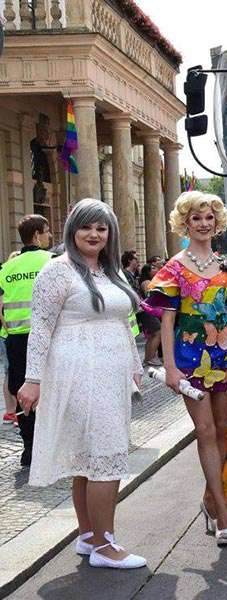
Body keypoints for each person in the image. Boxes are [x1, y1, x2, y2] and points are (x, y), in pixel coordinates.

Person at [16, 199, 146, 569]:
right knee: (104, 455)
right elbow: (40, 326)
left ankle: (89, 537)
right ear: (72, 230)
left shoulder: (110, 272)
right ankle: (106, 547)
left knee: (91, 458)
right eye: (86, 227)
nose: (94, 234)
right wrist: (32, 379)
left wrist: (135, 365)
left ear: (111, 234)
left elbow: (122, 323)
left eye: (101, 228)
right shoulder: (57, 271)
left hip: (111, 371)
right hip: (77, 371)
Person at [143, 191, 227, 546]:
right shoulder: (173, 269)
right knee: (205, 431)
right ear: (185, 224)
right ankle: (222, 511)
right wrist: (170, 368)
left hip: (224, 360)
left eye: (209, 218)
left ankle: (209, 498)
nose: (204, 224)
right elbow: (167, 322)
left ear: (216, 223)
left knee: (221, 430)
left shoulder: (226, 268)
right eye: (196, 219)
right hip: (190, 363)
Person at [0, 214, 52, 466]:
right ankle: (50, 444)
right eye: (47, 231)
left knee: (21, 390)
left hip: (16, 338)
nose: (50, 236)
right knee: (53, 388)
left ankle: (29, 446)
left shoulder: (7, 267)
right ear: (36, 235)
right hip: (47, 336)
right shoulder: (53, 261)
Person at [137, 264, 162, 366]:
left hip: (147, 311)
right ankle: (150, 357)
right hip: (147, 311)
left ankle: (149, 357)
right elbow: (151, 296)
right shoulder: (147, 282)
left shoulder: (151, 281)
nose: (156, 269)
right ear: (147, 271)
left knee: (153, 334)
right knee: (157, 332)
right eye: (153, 268)